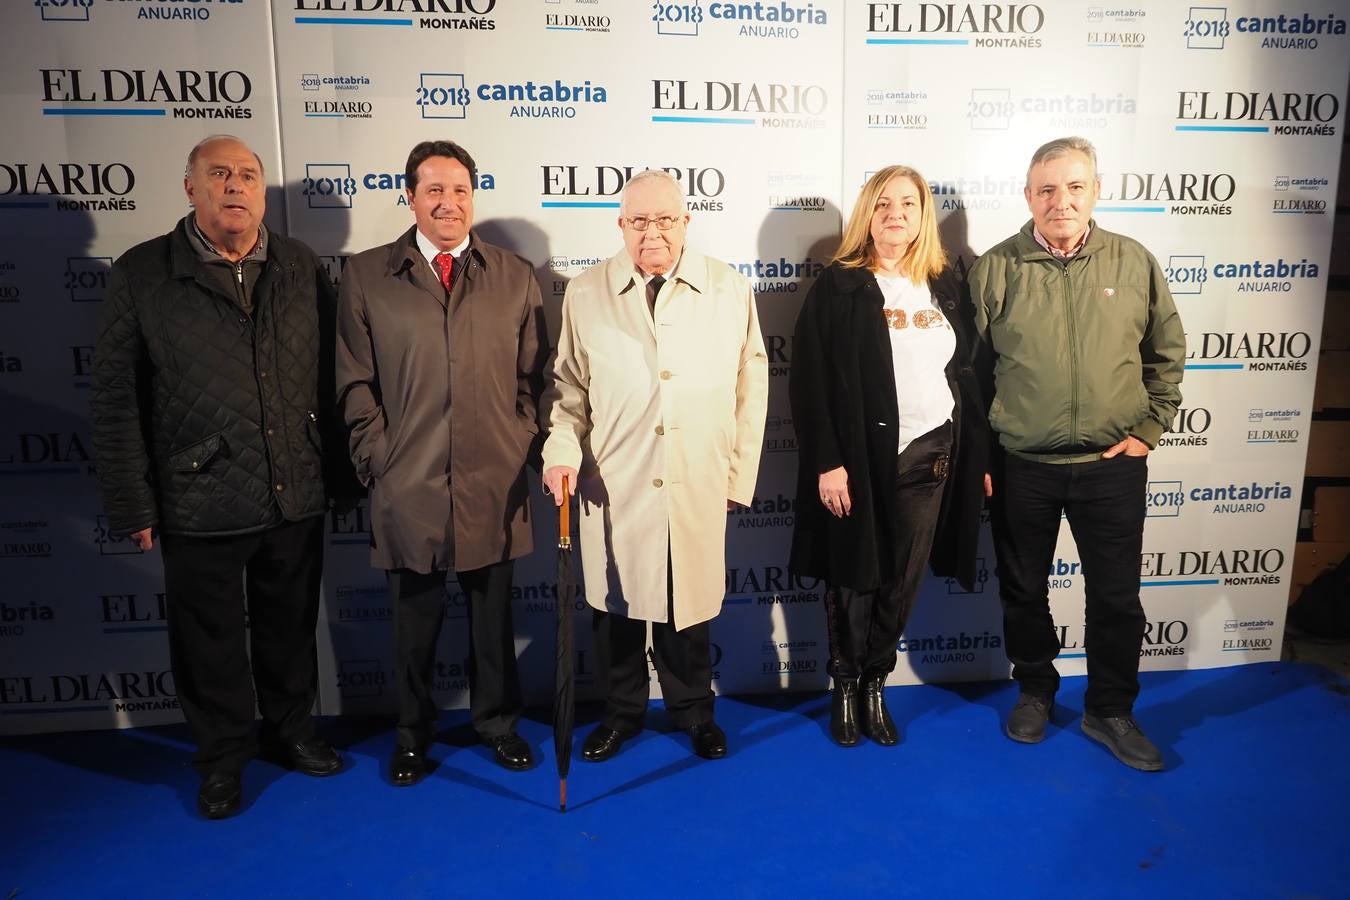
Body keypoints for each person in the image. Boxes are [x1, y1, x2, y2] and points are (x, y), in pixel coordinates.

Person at [90, 134, 349, 820]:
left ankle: (293, 733)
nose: (235, 186)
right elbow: (116, 396)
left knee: (290, 627)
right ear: (190, 188)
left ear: (263, 191)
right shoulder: (143, 273)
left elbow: (332, 376)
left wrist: (341, 478)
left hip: (294, 485)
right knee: (207, 644)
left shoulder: (297, 264)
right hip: (195, 494)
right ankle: (222, 759)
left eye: (248, 175)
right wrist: (131, 499)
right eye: (219, 174)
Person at [968, 136, 1185, 771]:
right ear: (1028, 196)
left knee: (1116, 597)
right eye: (1046, 189)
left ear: (1095, 190)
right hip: (1021, 466)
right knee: (1023, 589)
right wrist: (983, 454)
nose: (1060, 201)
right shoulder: (997, 268)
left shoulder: (1133, 262)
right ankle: (1035, 689)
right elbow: (972, 373)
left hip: (1112, 466)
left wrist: (1149, 428)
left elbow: (1166, 355)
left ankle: (1110, 709)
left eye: (1074, 187)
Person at [335, 140, 549, 787]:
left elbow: (533, 378)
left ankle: (498, 725)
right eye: (433, 190)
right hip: (410, 485)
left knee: (493, 622)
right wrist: (380, 458)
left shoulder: (514, 275)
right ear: (410, 196)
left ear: (472, 197)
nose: (447, 203)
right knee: (413, 626)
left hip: (495, 482)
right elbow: (353, 380)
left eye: (459, 190)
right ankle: (411, 734)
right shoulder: (367, 275)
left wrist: (518, 442)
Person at [541, 169, 768, 762]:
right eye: (638, 221)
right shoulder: (587, 294)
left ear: (686, 222)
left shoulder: (727, 289)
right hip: (614, 484)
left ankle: (695, 711)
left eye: (665, 220)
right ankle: (621, 714)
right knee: (616, 611)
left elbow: (752, 391)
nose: (652, 233)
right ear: (621, 225)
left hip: (694, 478)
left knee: (686, 608)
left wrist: (737, 476)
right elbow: (569, 396)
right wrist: (561, 454)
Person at [788, 165, 988, 748]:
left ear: (922, 215)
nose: (895, 214)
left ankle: (876, 680)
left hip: (931, 454)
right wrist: (827, 461)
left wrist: (974, 456)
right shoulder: (840, 284)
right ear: (867, 215)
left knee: (900, 580)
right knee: (852, 577)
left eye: (907, 203)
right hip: (855, 458)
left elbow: (970, 372)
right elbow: (810, 382)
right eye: (883, 204)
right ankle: (844, 683)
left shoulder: (949, 284)